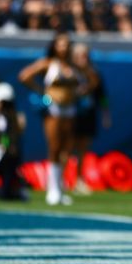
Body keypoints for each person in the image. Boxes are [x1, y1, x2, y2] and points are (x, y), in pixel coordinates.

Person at [18, 32, 83, 205]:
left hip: (70, 109)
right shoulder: (48, 64)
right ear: (55, 46)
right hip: (54, 109)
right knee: (54, 147)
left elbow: (93, 79)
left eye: (67, 44)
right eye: (61, 44)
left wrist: (80, 92)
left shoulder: (74, 65)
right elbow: (24, 76)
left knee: (67, 149)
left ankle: (61, 188)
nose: (65, 47)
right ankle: (52, 189)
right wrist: (43, 91)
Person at [70, 41, 110, 193]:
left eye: (85, 56)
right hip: (70, 114)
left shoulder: (94, 73)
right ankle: (61, 179)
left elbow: (102, 96)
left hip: (88, 114)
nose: (83, 59)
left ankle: (79, 179)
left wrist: (106, 114)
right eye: (80, 56)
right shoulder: (68, 72)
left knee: (83, 148)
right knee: (66, 148)